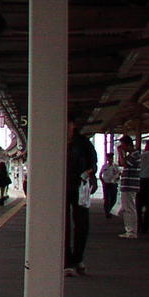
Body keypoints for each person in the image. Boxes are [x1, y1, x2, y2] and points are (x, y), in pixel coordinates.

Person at [64, 118, 97, 276]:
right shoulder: (55, 140)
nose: (66, 127)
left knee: (82, 225)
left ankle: (78, 258)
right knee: (62, 226)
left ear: (74, 125)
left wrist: (86, 173)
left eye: (69, 123)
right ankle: (67, 262)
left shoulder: (83, 143)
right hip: (61, 189)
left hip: (80, 189)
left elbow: (93, 164)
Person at [116, 135, 140, 239]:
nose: (122, 147)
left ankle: (131, 231)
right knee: (127, 208)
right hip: (128, 184)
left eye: (123, 145)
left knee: (129, 208)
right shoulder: (132, 154)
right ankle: (129, 230)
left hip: (130, 184)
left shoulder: (135, 154)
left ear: (128, 144)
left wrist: (120, 153)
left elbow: (123, 163)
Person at [98, 152, 121, 218]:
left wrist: (116, 179)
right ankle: (107, 212)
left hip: (113, 184)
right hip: (106, 184)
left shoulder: (115, 166)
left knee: (113, 199)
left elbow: (119, 174)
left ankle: (110, 210)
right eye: (108, 158)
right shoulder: (104, 166)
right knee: (107, 198)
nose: (110, 159)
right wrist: (102, 181)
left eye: (111, 158)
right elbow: (100, 174)